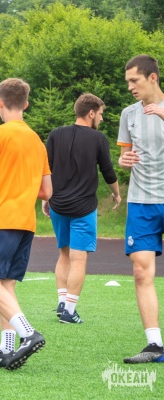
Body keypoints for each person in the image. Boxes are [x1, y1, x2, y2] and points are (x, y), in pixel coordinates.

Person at [0, 78, 52, 370]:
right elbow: (47, 191)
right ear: (26, 104)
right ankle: (6, 349)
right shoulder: (37, 141)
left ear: (0, 103)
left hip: (1, 218)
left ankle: (28, 333)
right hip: (26, 221)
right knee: (6, 286)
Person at [42, 94, 121, 324]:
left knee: (64, 254)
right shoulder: (98, 138)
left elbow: (46, 167)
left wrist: (45, 197)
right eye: (101, 114)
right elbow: (107, 171)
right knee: (79, 259)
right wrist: (117, 194)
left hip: (58, 204)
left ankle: (61, 302)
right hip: (83, 207)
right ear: (91, 113)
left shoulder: (56, 134)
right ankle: (69, 311)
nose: (102, 119)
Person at [118, 55, 164, 364]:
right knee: (140, 271)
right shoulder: (129, 114)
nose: (130, 87)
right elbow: (125, 155)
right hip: (141, 201)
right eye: (128, 82)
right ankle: (155, 345)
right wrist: (124, 161)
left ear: (153, 78)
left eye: (134, 80)